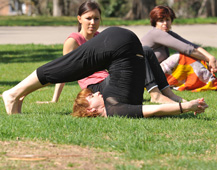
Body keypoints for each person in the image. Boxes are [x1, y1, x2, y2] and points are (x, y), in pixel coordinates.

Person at [2, 27, 208, 117]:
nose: (96, 94)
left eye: (92, 96)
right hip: (123, 45)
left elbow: (152, 111)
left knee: (65, 68)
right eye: (92, 97)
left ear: (92, 111)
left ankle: (15, 94)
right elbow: (152, 111)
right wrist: (185, 107)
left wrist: (182, 105)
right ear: (93, 110)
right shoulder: (116, 108)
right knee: (65, 68)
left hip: (120, 46)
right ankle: (15, 94)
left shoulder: (114, 106)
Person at [37, 0, 109, 104]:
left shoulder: (100, 37)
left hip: (107, 79)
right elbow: (63, 71)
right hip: (93, 85)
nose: (93, 22)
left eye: (96, 18)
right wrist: (54, 100)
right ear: (79, 19)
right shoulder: (73, 41)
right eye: (88, 18)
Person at [141, 5, 217, 92]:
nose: (165, 23)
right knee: (181, 56)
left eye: (168, 20)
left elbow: (192, 46)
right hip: (145, 76)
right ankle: (212, 82)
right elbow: (187, 49)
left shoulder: (168, 33)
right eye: (161, 21)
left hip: (154, 72)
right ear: (155, 22)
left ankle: (208, 79)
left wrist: (211, 58)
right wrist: (207, 59)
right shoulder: (156, 33)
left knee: (190, 55)